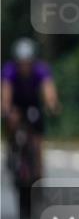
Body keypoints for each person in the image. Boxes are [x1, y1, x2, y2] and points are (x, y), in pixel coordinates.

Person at [1, 37, 60, 178]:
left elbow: (48, 89)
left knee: (37, 138)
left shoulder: (41, 69)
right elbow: (6, 92)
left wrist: (52, 104)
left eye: (27, 63)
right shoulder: (9, 70)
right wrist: (6, 108)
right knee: (12, 119)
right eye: (21, 63)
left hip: (33, 104)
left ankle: (38, 171)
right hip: (15, 104)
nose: (24, 66)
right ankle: (12, 147)